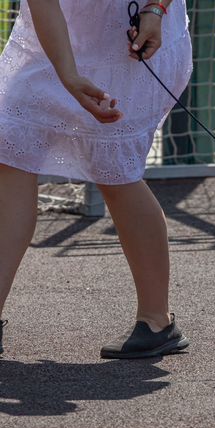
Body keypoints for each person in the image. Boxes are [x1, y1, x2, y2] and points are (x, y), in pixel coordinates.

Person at [0, 0, 193, 358]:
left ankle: (157, 322)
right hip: (54, 42)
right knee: (8, 151)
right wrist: (69, 75)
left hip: (131, 40)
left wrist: (155, 9)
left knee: (115, 172)